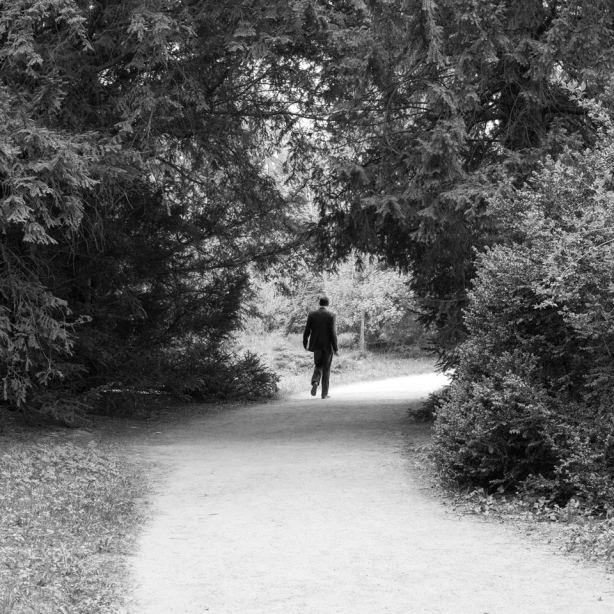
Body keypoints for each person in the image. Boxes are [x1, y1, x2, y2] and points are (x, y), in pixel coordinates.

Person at [303, 296, 339, 399]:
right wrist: (335, 348)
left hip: (316, 345)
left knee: (318, 365)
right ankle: (324, 394)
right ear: (328, 304)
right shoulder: (331, 315)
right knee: (326, 369)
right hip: (328, 346)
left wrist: (305, 344)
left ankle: (315, 381)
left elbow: (307, 330)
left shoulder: (312, 314)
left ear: (319, 303)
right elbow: (333, 332)